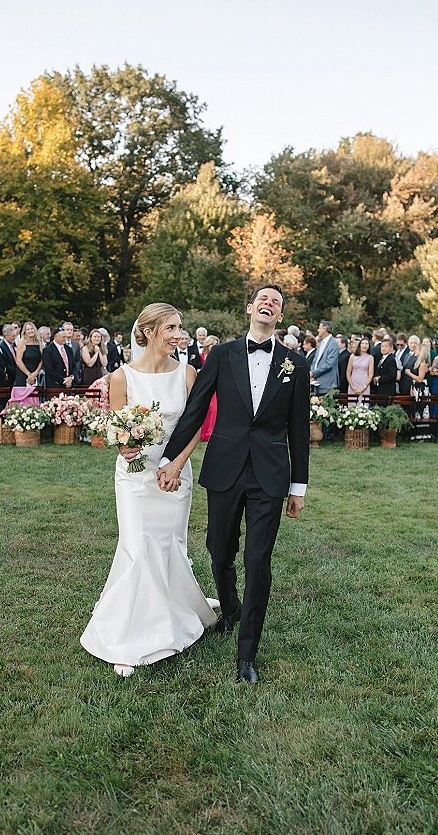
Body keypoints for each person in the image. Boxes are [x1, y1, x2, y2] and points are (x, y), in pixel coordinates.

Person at [158, 284, 309, 684]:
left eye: (276, 302)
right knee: (218, 550)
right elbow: (196, 408)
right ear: (249, 308)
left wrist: (298, 487)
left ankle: (247, 656)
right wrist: (169, 459)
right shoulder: (222, 355)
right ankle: (229, 608)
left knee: (258, 562)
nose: (268, 303)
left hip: (270, 475)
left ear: (279, 317)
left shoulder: (295, 365)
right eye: (263, 298)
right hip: (225, 468)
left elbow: (298, 430)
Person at [81, 303, 218, 676]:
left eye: (180, 327)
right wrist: (124, 445)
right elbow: (118, 427)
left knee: (171, 544)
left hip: (176, 474)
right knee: (137, 547)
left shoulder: (187, 373)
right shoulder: (122, 377)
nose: (179, 333)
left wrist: (175, 465)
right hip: (135, 477)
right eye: (171, 327)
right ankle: (128, 638)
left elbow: (193, 427)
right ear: (150, 331)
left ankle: (177, 607)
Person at [310, 321, 339, 394]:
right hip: (316, 381)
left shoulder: (333, 343)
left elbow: (329, 364)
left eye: (319, 328)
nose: (318, 330)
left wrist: (313, 373)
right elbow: (315, 360)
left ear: (325, 329)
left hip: (327, 382)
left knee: (325, 404)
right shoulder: (322, 342)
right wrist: (313, 373)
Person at [199, 335, 220, 442]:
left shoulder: (219, 356)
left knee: (214, 409)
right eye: (212, 344)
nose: (214, 346)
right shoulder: (200, 356)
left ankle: (210, 433)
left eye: (216, 344)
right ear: (207, 345)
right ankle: (203, 433)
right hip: (203, 386)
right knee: (205, 409)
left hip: (216, 386)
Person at [43, 326, 75, 391]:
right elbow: (50, 369)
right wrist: (63, 380)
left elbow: (73, 366)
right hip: (55, 385)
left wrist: (71, 378)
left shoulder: (69, 349)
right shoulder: (48, 350)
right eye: (63, 337)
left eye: (65, 337)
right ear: (56, 336)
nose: (65, 339)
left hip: (69, 385)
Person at [14, 322, 43, 388]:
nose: (30, 331)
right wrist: (28, 374)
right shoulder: (21, 342)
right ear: (25, 332)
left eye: (31, 329)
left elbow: (41, 360)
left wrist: (35, 374)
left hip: (35, 374)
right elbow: (18, 361)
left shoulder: (39, 342)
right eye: (28, 329)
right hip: (23, 374)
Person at [346, 336, 374, 405]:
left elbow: (370, 375)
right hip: (353, 383)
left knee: (363, 406)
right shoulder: (352, 356)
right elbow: (348, 372)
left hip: (364, 383)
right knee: (351, 406)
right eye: (363, 343)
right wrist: (352, 386)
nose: (364, 346)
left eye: (366, 344)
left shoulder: (370, 358)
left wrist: (363, 387)